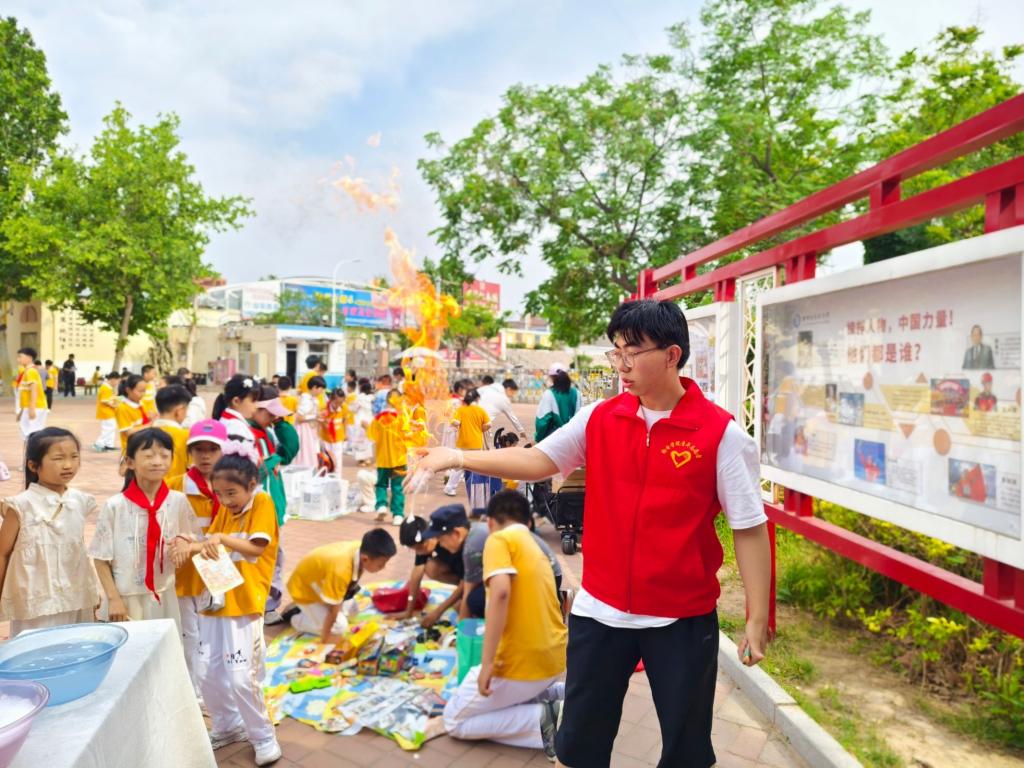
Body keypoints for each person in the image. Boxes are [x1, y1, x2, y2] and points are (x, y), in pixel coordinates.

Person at [409, 299, 771, 767]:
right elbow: (538, 459)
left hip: (681, 617)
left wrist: (757, 618)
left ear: (672, 355)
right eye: (616, 351)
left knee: (686, 750)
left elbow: (749, 528)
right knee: (579, 745)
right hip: (600, 612)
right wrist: (458, 457)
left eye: (632, 352)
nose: (621, 365)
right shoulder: (600, 417)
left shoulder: (720, 435)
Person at [175, 444, 282, 765]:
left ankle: (263, 736)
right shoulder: (226, 509)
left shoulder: (261, 502)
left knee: (240, 676)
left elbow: (256, 548)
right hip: (216, 598)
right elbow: (212, 546)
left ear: (251, 485)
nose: (225, 500)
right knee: (207, 672)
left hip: (244, 604)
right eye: (219, 494)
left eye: (231, 493)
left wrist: (217, 539)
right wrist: (189, 544)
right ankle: (227, 725)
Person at [441, 488, 567, 760]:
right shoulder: (535, 546)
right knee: (500, 702)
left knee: (453, 720)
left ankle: (549, 720)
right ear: (529, 522)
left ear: (489, 522)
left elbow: (500, 592)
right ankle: (563, 696)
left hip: (520, 663)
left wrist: (487, 664)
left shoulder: (498, 540)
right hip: (553, 660)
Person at [90, 428, 197, 624]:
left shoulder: (178, 501)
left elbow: (192, 537)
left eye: (164, 456)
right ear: (130, 462)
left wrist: (184, 541)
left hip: (164, 596)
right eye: (148, 456)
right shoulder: (115, 506)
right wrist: (113, 599)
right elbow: (100, 558)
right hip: (124, 598)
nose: (157, 462)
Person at [0, 428, 100, 635]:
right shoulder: (21, 505)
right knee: (35, 647)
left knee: (75, 643)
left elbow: (77, 547)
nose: (68, 465)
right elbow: (2, 553)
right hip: (35, 598)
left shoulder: (80, 501)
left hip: (75, 593)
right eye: (58, 458)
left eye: (74, 457)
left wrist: (92, 589)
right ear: (33, 465)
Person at [166, 419, 226, 699]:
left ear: (223, 451)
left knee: (217, 632)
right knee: (190, 635)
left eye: (212, 449)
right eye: (199, 449)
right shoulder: (174, 486)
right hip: (185, 574)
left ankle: (214, 685)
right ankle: (195, 693)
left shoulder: (233, 486)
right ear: (189, 452)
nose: (205, 456)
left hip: (221, 570)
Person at [282, 528, 396, 643]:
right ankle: (296, 618)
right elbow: (333, 612)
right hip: (304, 590)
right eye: (380, 565)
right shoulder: (341, 571)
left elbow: (346, 586)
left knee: (353, 613)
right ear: (365, 559)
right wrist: (326, 637)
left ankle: (316, 612)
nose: (383, 568)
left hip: (322, 582)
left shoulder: (362, 549)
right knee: (339, 627)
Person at [420, 504, 488, 624]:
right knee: (463, 605)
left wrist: (461, 631)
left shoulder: (471, 547)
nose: (441, 544)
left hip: (517, 583)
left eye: (441, 539)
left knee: (474, 602)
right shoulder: (472, 530)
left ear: (457, 533)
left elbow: (468, 589)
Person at [397, 516, 464, 621]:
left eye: (420, 548)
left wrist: (438, 612)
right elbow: (416, 576)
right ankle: (462, 595)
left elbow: (467, 582)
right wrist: (408, 612)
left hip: (478, 580)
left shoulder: (452, 544)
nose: (419, 553)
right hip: (464, 577)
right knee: (430, 568)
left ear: (431, 537)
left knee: (462, 608)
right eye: (414, 549)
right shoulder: (423, 543)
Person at [366, 389, 408, 525]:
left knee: (381, 484)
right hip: (399, 459)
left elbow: (372, 436)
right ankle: (398, 515)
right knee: (398, 487)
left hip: (383, 459)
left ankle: (382, 505)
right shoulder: (403, 417)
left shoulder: (379, 418)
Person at [444, 387, 491, 499]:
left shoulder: (461, 410)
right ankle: (477, 490)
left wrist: (459, 425)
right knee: (476, 466)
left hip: (463, 442)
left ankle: (450, 487)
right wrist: (481, 429)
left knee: (459, 466)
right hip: (476, 442)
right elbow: (488, 425)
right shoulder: (481, 410)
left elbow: (454, 422)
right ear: (477, 398)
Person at [535, 364, 583, 442]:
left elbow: (542, 420)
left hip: (554, 438)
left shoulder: (549, 393)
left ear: (552, 377)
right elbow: (581, 417)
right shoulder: (577, 393)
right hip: (573, 438)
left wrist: (538, 438)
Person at [154, 384, 193, 479]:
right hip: (176, 487)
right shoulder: (187, 436)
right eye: (186, 409)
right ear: (179, 411)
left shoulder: (139, 434)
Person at [213, 373, 260, 445]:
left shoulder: (230, 423)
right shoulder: (236, 428)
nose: (256, 406)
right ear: (236, 401)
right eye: (253, 401)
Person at [14, 347, 48, 441]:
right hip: (29, 407)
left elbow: (34, 390)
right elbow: (26, 395)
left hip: (36, 407)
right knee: (27, 433)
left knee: (33, 434)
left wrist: (32, 409)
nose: (18, 359)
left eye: (20, 356)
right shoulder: (27, 371)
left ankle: (36, 450)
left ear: (29, 358)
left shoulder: (31, 371)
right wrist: (21, 412)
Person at [295, 375, 326, 468]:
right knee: (306, 453)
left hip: (311, 430)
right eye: (321, 389)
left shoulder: (313, 399)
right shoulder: (306, 399)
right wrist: (315, 416)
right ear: (314, 387)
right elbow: (299, 418)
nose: (322, 391)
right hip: (304, 431)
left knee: (310, 452)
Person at [114, 373, 151, 452]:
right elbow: (128, 432)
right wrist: (150, 425)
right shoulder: (122, 408)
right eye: (140, 391)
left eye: (144, 391)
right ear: (128, 390)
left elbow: (144, 420)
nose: (143, 394)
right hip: (132, 449)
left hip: (145, 445)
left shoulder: (142, 403)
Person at [91, 371, 121, 452]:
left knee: (111, 428)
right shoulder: (105, 388)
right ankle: (99, 443)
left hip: (109, 412)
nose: (117, 383)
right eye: (118, 381)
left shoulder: (108, 387)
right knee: (108, 429)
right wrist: (114, 405)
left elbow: (112, 397)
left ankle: (109, 445)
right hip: (106, 412)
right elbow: (104, 400)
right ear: (113, 379)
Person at [349, 378, 375, 466]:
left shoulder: (359, 398)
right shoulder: (372, 398)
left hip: (360, 420)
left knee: (359, 441)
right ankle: (368, 459)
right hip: (370, 420)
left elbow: (353, 408)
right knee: (368, 440)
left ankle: (361, 459)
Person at [324, 388, 348, 477]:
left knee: (337, 459)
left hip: (338, 437)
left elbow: (345, 420)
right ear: (331, 399)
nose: (338, 405)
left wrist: (345, 433)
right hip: (326, 437)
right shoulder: (324, 407)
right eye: (336, 403)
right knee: (327, 459)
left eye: (341, 403)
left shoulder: (344, 407)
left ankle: (337, 478)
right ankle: (326, 477)